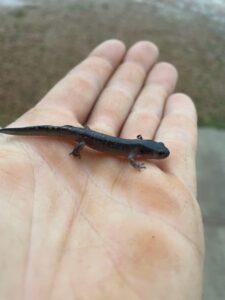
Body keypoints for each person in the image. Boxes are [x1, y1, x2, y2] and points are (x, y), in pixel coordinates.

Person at [0, 40, 204, 299]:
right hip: (83, 138)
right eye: (159, 153)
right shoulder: (135, 151)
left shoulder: (137, 146)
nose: (161, 156)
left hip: (86, 135)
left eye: (160, 152)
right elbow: (131, 157)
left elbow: (135, 148)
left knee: (79, 136)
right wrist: (126, 162)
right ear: (147, 151)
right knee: (77, 139)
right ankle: (62, 144)